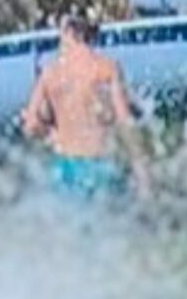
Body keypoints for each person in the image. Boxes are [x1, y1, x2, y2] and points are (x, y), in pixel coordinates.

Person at [21, 13, 151, 199]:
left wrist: (51, 133)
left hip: (64, 168)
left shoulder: (50, 74)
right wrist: (141, 169)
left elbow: (30, 125)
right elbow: (125, 121)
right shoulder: (106, 68)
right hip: (100, 166)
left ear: (69, 32)